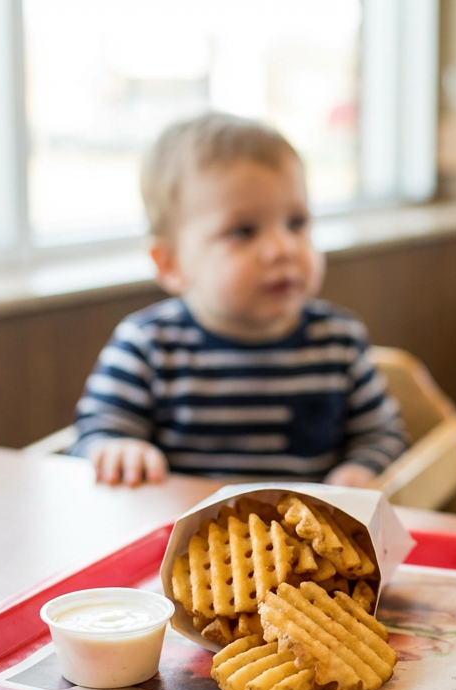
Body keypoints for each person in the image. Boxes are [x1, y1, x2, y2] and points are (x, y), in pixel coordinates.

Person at [70, 113, 407, 487]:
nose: (283, 248)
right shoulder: (147, 346)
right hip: (185, 542)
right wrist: (119, 448)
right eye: (243, 231)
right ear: (171, 263)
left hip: (308, 540)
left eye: (296, 223)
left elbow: (383, 434)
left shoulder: (337, 340)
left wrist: (361, 467)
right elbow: (93, 435)